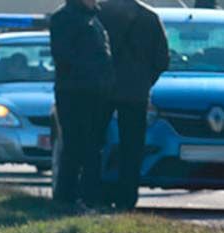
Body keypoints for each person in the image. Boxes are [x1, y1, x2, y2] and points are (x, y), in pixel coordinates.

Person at [99, 0, 170, 210]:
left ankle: (95, 191)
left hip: (103, 91)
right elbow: (162, 59)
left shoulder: (101, 13)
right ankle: (127, 197)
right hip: (136, 93)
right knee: (132, 148)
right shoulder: (150, 17)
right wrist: (146, 81)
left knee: (95, 144)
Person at [50, 0, 114, 206]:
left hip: (96, 93)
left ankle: (89, 197)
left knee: (93, 147)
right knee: (74, 146)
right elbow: (63, 55)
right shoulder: (64, 18)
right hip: (74, 92)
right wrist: (94, 68)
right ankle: (66, 198)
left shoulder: (94, 19)